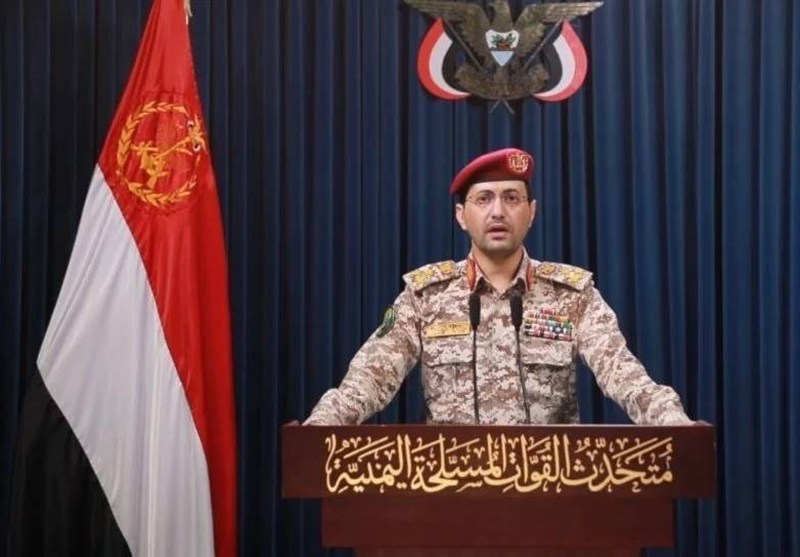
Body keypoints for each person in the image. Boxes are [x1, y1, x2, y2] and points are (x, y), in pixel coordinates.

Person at [305, 148, 691, 426]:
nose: (498, 212)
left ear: (531, 212)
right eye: (483, 199)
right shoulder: (426, 297)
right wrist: (321, 426)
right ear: (461, 216)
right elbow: (369, 379)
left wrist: (672, 420)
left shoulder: (572, 296)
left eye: (511, 198)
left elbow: (624, 375)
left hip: (552, 489)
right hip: (449, 489)